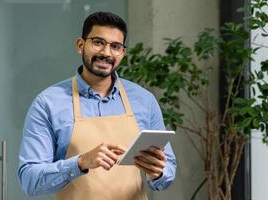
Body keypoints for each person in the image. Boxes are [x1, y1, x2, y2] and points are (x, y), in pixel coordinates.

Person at [18, 11, 176, 199]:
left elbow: (168, 171)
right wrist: (81, 162)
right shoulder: (48, 104)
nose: (106, 53)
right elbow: (30, 181)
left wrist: (158, 172)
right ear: (80, 45)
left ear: (122, 53)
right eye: (98, 42)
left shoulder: (144, 100)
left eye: (115, 46)